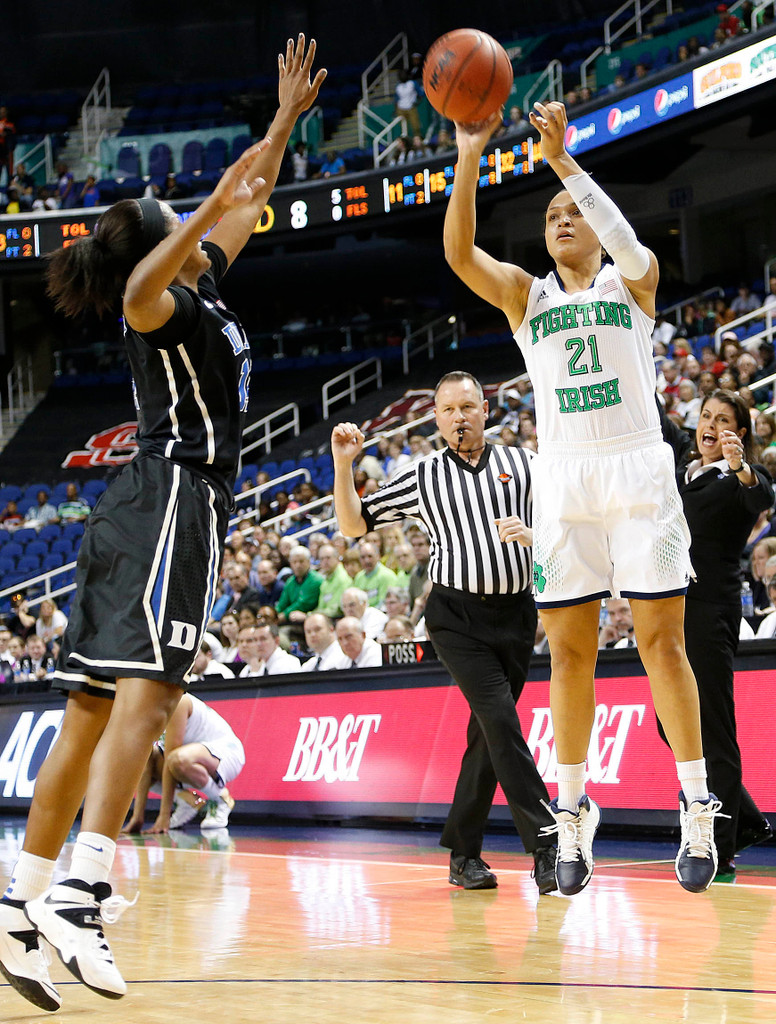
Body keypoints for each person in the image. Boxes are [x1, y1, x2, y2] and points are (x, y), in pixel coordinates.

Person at [0, 34, 325, 1013]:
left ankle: (22, 899)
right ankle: (83, 891)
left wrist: (276, 127)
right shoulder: (151, 300)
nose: (201, 218)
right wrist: (217, 189)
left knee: (91, 712)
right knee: (153, 691)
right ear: (154, 237)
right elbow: (178, 247)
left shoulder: (197, 282)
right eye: (176, 218)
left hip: (135, 506)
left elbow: (245, 198)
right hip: (174, 492)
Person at [442, 99, 721, 897]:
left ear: (598, 224)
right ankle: (570, 814)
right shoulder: (529, 298)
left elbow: (629, 241)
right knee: (568, 651)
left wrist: (564, 161)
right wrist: (469, 155)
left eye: (576, 213)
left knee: (664, 643)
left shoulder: (635, 283)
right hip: (563, 478)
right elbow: (460, 253)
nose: (564, 220)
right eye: (554, 216)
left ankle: (697, 802)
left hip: (637, 471)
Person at [332, 371, 558, 895]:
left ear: (485, 410)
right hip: (456, 619)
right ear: (436, 419)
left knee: (487, 736)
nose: (459, 416)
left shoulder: (523, 464)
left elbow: (567, 523)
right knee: (501, 720)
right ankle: (548, 842)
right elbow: (352, 525)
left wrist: (537, 534)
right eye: (448, 409)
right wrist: (344, 467)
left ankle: (463, 854)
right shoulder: (424, 474)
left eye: (468, 406)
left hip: (518, 614)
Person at [660, 390, 774, 878]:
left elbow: (762, 494)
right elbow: (659, 424)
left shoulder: (735, 480)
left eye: (723, 420)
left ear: (739, 433)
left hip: (710, 614)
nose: (710, 424)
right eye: (705, 415)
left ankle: (721, 847)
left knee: (715, 732)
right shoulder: (686, 472)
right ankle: (744, 818)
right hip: (671, 612)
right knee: (672, 726)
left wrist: (742, 465)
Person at [122, 692, 245, 833]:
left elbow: (170, 759)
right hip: (193, 753)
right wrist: (137, 818)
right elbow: (145, 765)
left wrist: (164, 817)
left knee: (178, 760)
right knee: (139, 761)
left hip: (228, 753)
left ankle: (220, 799)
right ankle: (186, 801)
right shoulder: (146, 709)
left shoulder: (178, 702)